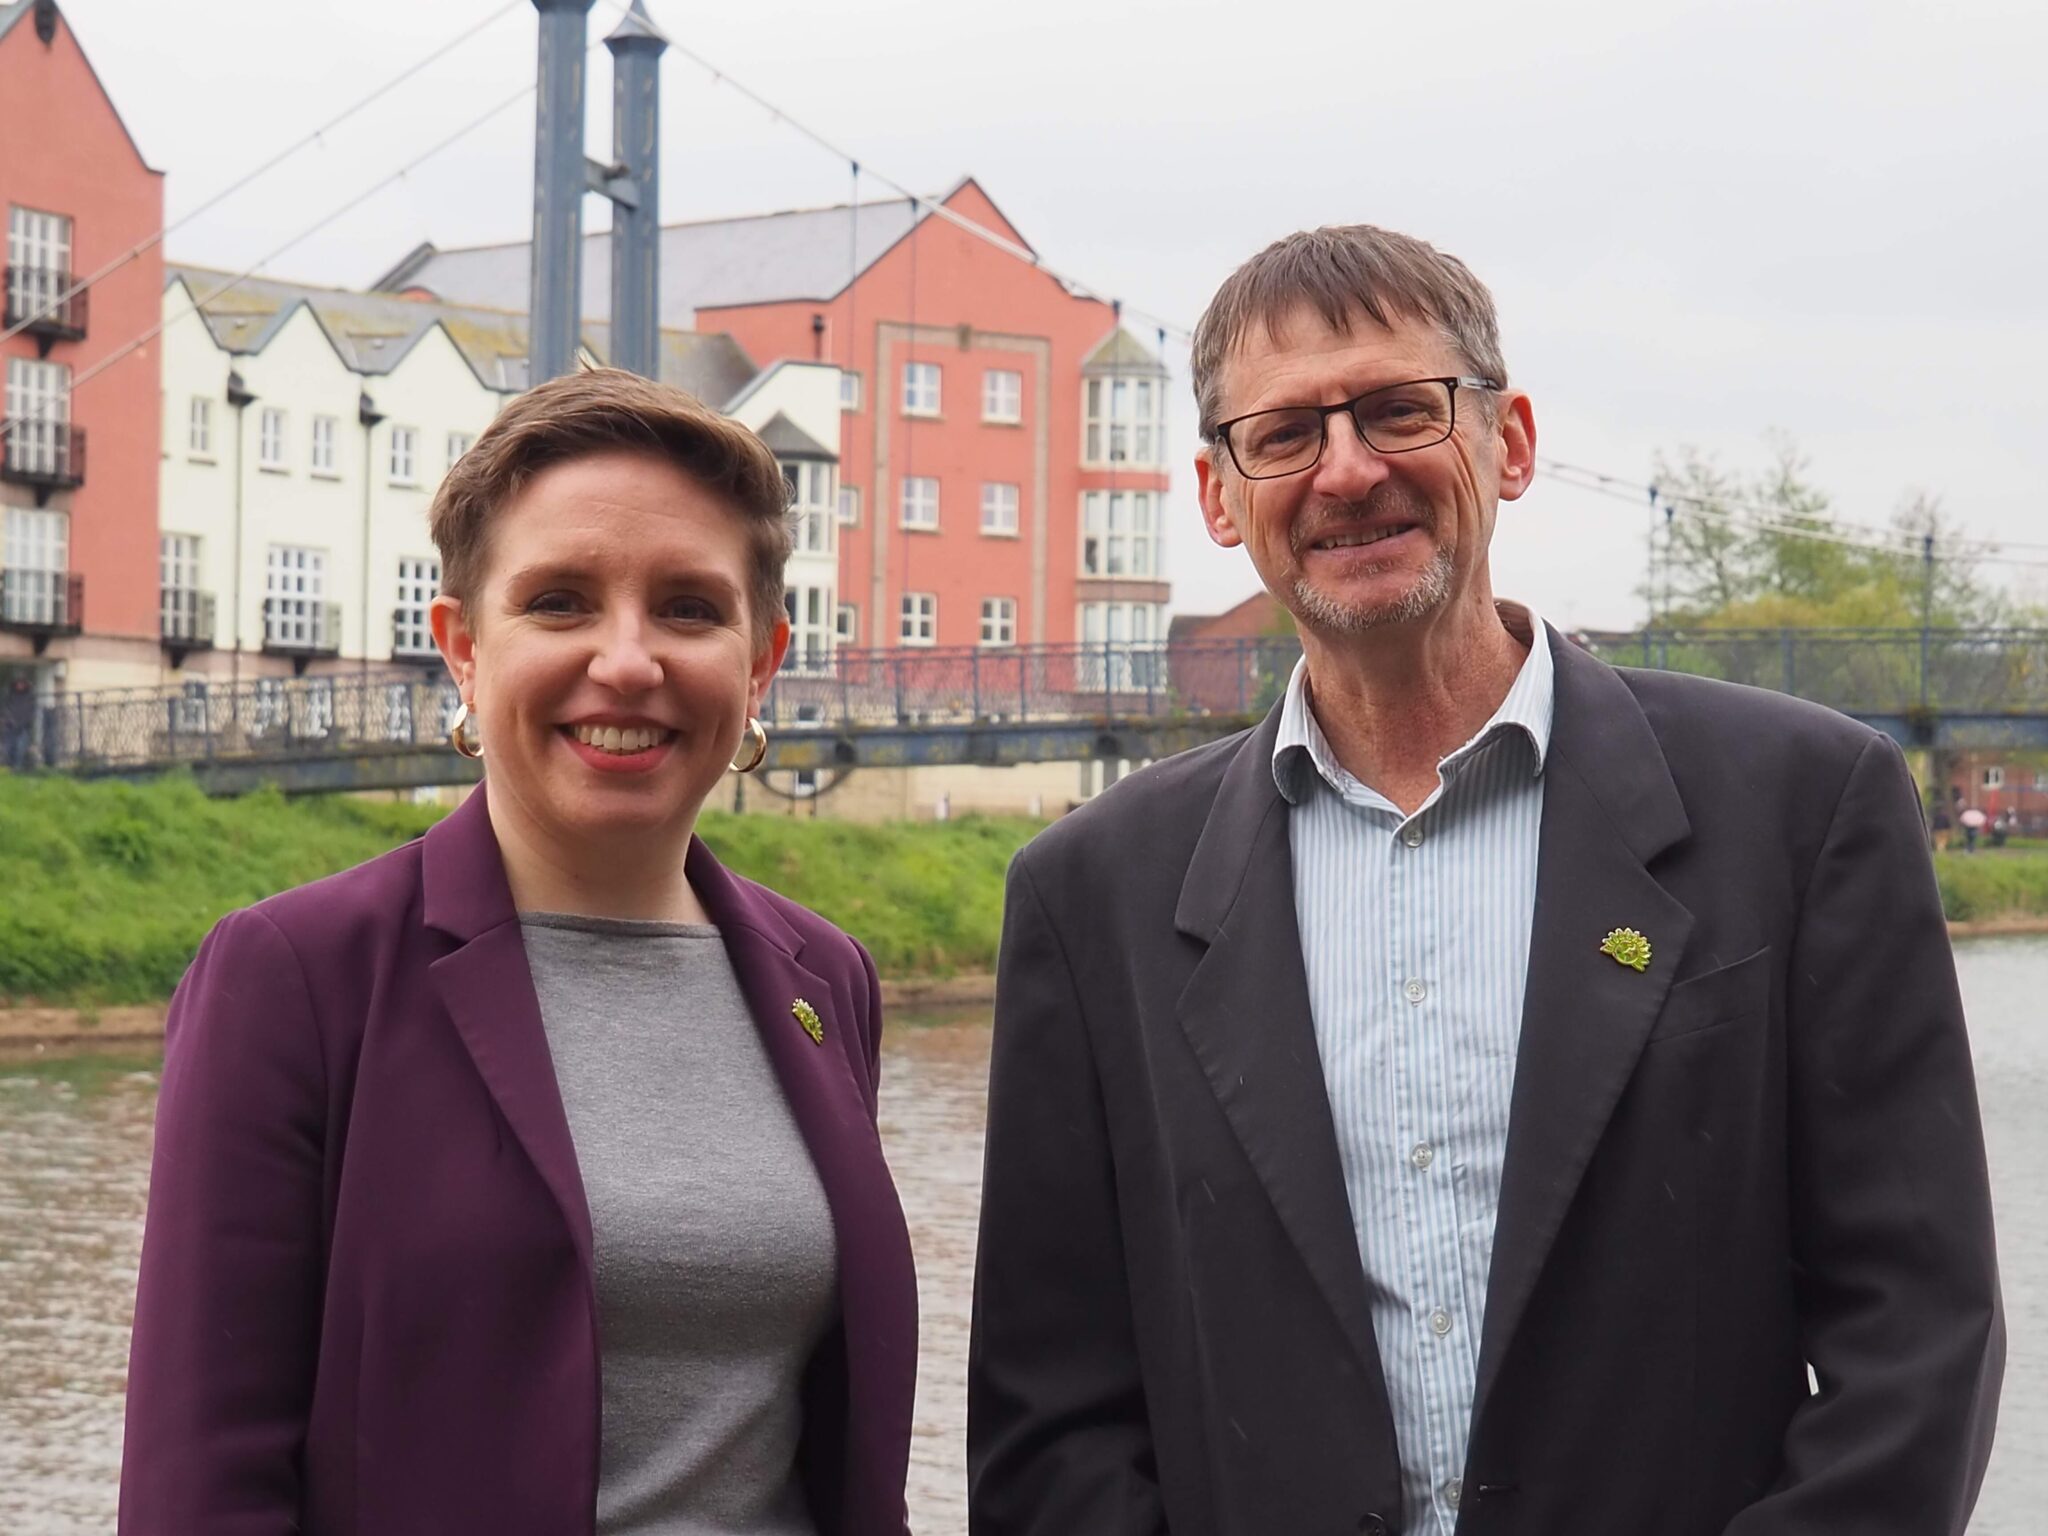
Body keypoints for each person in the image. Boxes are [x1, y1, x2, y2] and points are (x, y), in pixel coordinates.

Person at [968, 227, 2004, 1536]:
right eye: (1284, 434)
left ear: (1509, 442)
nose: (1348, 471)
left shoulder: (1804, 809)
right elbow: (1052, 1416)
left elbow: (1916, 1338)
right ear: (1221, 496)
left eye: (1401, 410)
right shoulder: (1090, 897)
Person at [121, 370, 919, 1535]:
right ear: (462, 647)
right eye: (559, 602)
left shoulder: (823, 979)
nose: (629, 659)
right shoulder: (294, 979)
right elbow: (200, 1487)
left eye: (689, 609)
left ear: (760, 662)